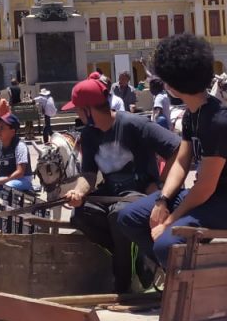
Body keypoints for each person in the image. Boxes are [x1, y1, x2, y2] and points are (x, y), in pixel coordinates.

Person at [116, 34, 227, 274]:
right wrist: (162, 200)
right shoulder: (192, 114)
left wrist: (169, 221)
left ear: (173, 83)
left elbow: (206, 186)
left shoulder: (218, 121)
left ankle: (188, 285)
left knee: (164, 244)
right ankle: (175, 272)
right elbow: (181, 160)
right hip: (204, 196)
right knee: (128, 217)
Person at [62, 74, 180, 294]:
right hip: (111, 194)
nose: (77, 115)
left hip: (139, 195)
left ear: (88, 109)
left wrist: (162, 186)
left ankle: (123, 282)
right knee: (80, 215)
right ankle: (129, 253)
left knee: (118, 215)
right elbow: (88, 174)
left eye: (78, 110)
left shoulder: (135, 124)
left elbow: (178, 150)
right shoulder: (88, 135)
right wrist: (78, 192)